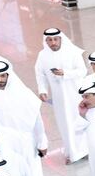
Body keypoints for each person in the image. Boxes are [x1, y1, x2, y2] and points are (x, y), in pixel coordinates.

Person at [0, 60, 48, 176]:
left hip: (26, 142)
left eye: (2, 75)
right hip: (6, 144)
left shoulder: (23, 93)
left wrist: (42, 142)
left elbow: (37, 120)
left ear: (8, 75)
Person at [34, 28, 88, 164]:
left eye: (55, 39)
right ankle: (71, 153)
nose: (53, 42)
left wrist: (65, 73)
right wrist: (42, 90)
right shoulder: (43, 55)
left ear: (60, 39)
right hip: (59, 98)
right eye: (49, 40)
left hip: (76, 94)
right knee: (65, 124)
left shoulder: (72, 52)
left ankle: (85, 150)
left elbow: (83, 71)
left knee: (80, 122)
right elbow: (40, 74)